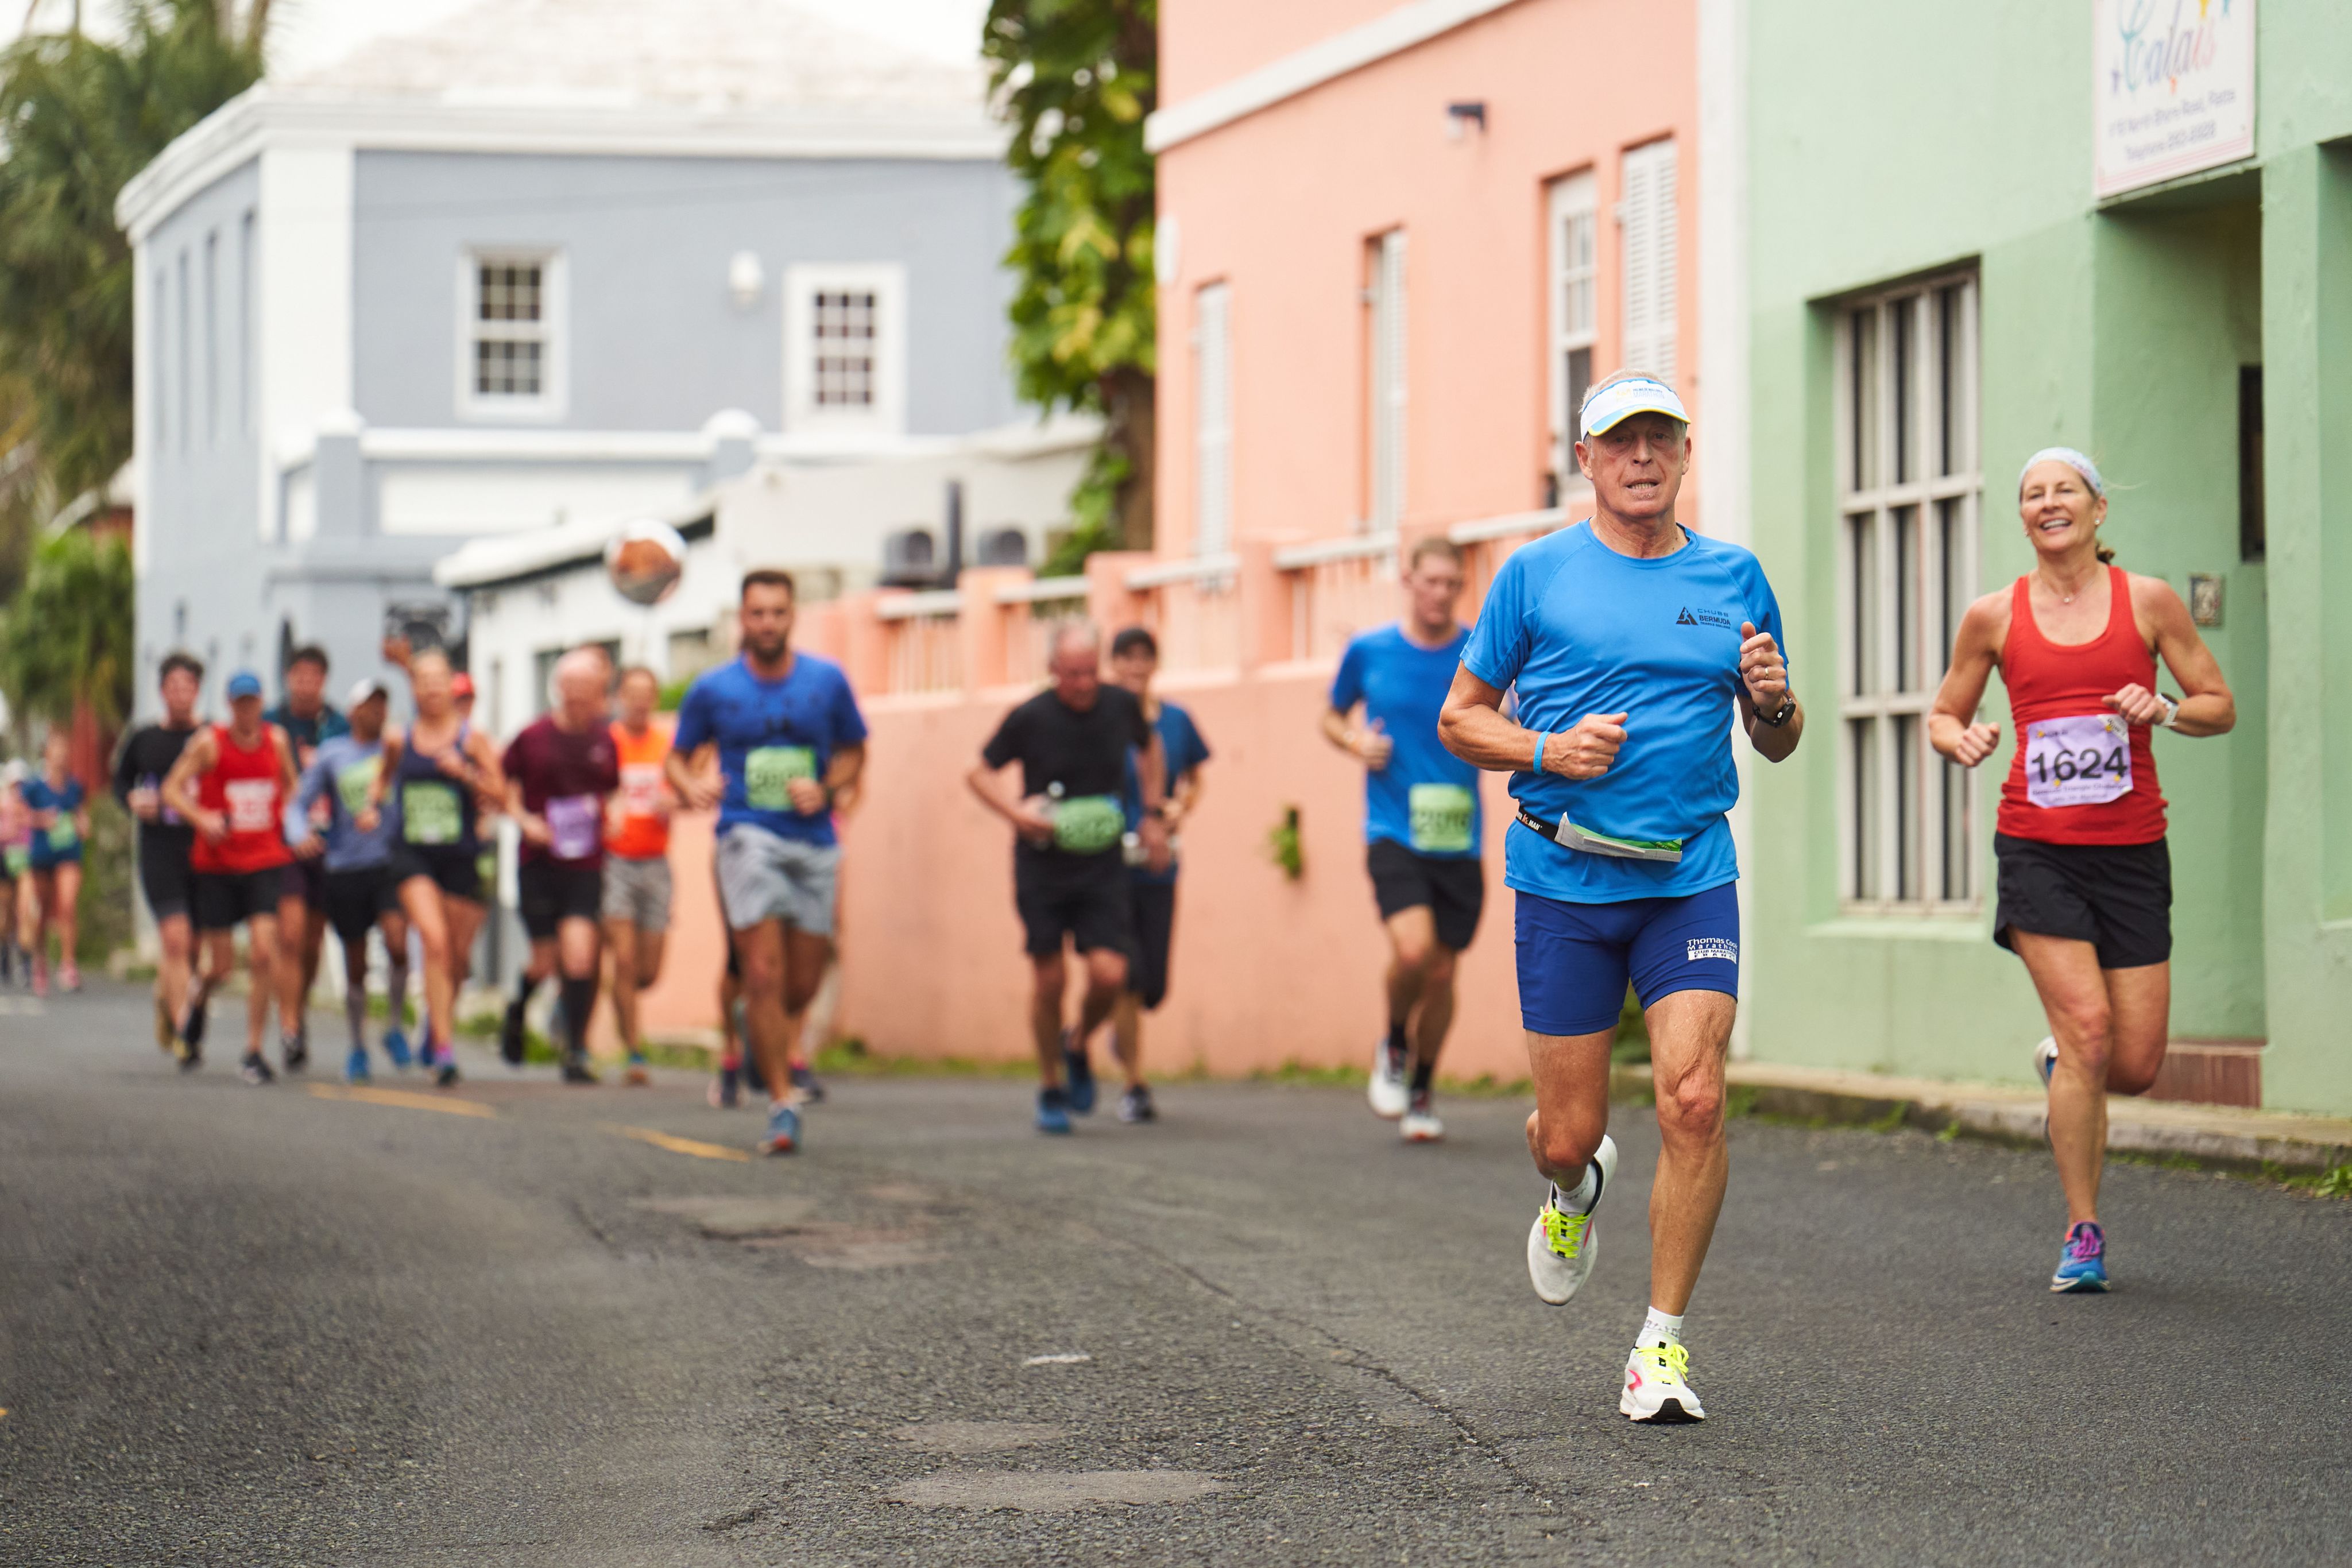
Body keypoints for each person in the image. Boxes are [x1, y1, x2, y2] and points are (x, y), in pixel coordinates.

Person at [1437, 371, 1801, 1423]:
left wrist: (1775, 703)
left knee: (1694, 1097)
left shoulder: (1735, 577)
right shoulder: (1535, 576)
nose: (1641, 458)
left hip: (1690, 873)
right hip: (1563, 875)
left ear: (1685, 455)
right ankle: (1569, 1188)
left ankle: (1661, 1347)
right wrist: (1548, 747)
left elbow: (1778, 737)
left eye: (1660, 439)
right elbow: (1463, 721)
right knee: (1565, 1131)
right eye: (1619, 442)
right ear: (1585, 460)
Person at [1930, 448, 2234, 1294]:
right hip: (2037, 849)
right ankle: (2083, 1229)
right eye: (2033, 494)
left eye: (2065, 490)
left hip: (2134, 852)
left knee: (2131, 1063)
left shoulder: (2148, 602)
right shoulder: (1993, 616)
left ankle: (2065, 1065)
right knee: (2091, 1031)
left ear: (2099, 510)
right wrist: (1964, 740)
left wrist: (2166, 708)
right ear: (2024, 518)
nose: (2048, 502)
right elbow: (1944, 713)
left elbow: (2219, 703)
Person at [667, 570, 868, 1155]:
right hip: (746, 835)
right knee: (761, 970)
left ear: (792, 616)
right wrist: (694, 786)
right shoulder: (714, 689)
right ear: (742, 618)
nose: (767, 624)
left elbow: (855, 751)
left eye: (777, 613)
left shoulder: (826, 682)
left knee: (801, 982)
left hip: (813, 842)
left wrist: (826, 787)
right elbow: (677, 758)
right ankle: (782, 1104)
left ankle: (761, 1025)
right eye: (757, 613)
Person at [968, 623, 1169, 1135]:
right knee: (1050, 979)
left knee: (1109, 973)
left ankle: (1077, 1043)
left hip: (1102, 865)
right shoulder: (1031, 717)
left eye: (1089, 672)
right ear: (1053, 670)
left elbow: (1151, 749)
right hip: (1043, 865)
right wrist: (1015, 814)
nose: (1083, 684)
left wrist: (1150, 813)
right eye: (1072, 674)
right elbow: (978, 773)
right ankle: (1051, 1085)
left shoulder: (1120, 706)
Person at [1322, 537, 1486, 1143]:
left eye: (1452, 584)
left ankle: (1421, 1086)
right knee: (1413, 953)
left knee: (1443, 975)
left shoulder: (1478, 651)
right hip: (1392, 828)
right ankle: (1392, 1041)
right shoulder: (1369, 650)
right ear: (1408, 580)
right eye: (1431, 581)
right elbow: (1331, 713)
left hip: (1458, 836)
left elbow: (1510, 714)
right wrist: (1352, 742)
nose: (1441, 594)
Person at [370, 648, 504, 1088]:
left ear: (451, 685)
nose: (430, 687)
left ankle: (433, 1025)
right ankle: (444, 1049)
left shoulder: (472, 738)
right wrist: (372, 806)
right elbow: (382, 778)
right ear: (413, 687)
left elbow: (502, 794)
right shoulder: (398, 738)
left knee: (458, 959)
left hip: (460, 854)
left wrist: (466, 774)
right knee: (434, 940)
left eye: (438, 679)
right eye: (421, 679)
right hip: (413, 854)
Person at [162, 671, 305, 1083]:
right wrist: (202, 816)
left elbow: (294, 788)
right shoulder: (210, 743)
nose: (247, 710)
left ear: (261, 703)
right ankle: (197, 1002)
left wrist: (290, 827)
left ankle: (254, 1049)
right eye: (239, 703)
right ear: (230, 705)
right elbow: (172, 788)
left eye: (253, 702)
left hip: (263, 860)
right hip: (218, 866)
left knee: (264, 951)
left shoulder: (276, 741)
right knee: (221, 966)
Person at [501, 649, 621, 1085]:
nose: (579, 697)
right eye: (571, 688)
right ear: (558, 688)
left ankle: (576, 1049)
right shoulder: (532, 737)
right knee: (545, 961)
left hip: (584, 863)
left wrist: (618, 814)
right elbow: (505, 787)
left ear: (599, 694)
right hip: (539, 862)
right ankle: (518, 1006)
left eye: (588, 689)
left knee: (581, 954)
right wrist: (524, 820)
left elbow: (614, 791)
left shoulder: (605, 740)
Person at [1105, 626, 1209, 1124]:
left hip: (1159, 861)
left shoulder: (1175, 720)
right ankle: (1135, 1084)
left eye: (1144, 658)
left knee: (1154, 985)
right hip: (1109, 862)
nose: (1135, 668)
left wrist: (1178, 807)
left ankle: (1108, 1029)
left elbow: (1195, 778)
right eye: (1126, 659)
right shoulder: (1101, 721)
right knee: (1127, 972)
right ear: (1113, 665)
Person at [294, 679, 412, 1082]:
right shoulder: (333, 754)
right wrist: (300, 834)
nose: (377, 712)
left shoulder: (396, 750)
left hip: (389, 862)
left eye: (383, 705)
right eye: (369, 706)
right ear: (353, 712)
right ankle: (358, 1045)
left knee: (398, 943)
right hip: (345, 867)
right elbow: (298, 803)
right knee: (356, 964)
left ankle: (395, 1026)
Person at [114, 652, 206, 1050]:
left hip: (203, 850)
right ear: (162, 691)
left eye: (188, 686)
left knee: (197, 946)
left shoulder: (210, 738)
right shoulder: (144, 738)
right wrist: (133, 800)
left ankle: (166, 997)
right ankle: (186, 1030)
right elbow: (119, 782)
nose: (181, 694)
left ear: (198, 690)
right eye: (174, 686)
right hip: (158, 849)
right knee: (174, 939)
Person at [265, 645, 349, 1071]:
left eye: (314, 675)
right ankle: (290, 1027)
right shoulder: (272, 723)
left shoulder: (339, 725)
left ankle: (298, 1003)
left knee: (314, 940)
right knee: (291, 936)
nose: (306, 682)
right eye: (299, 674)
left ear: (324, 680)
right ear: (289, 677)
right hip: (284, 844)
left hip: (331, 841)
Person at [602, 665, 674, 1086]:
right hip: (615, 861)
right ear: (619, 697)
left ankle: (622, 998)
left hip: (656, 861)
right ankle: (634, 1049)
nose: (640, 700)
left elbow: (684, 785)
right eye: (632, 692)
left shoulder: (666, 746)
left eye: (647, 693)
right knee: (625, 960)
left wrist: (675, 797)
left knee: (648, 971)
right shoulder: (607, 743)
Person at [18, 731, 90, 996]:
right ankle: (40, 961)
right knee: (43, 913)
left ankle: (68, 964)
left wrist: (83, 824)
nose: (61, 754)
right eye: (56, 748)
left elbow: (81, 814)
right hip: (41, 854)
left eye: (64, 748)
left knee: (68, 905)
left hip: (69, 852)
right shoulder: (34, 787)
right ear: (46, 753)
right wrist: (41, 819)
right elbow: (19, 817)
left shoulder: (75, 787)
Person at [0, 763, 23, 986]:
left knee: (24, 910)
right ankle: (5, 956)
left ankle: (24, 961)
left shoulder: (29, 803)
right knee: (5, 910)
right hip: (6, 859)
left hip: (26, 860)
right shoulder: (3, 802)